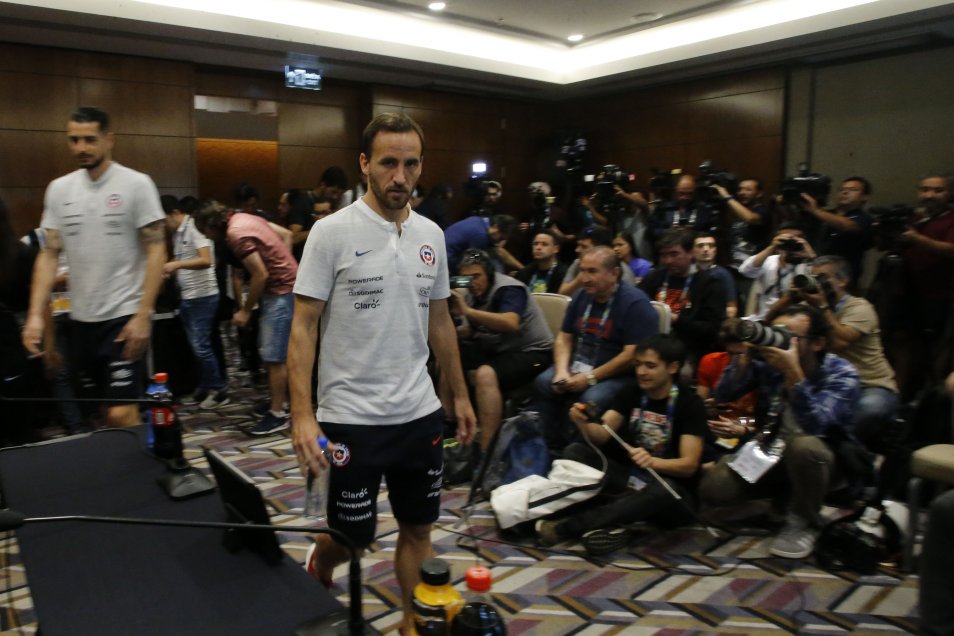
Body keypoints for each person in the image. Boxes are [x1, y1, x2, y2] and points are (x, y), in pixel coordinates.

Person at [287, 112, 476, 634]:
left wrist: (457, 395)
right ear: (365, 164)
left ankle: (415, 626)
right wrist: (302, 415)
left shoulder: (431, 235)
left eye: (411, 164)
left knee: (419, 530)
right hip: (350, 417)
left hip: (417, 414)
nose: (400, 176)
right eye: (389, 163)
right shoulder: (331, 233)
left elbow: (440, 320)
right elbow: (303, 327)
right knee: (352, 536)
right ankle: (319, 565)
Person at [22, 107, 167, 428]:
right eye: (74, 140)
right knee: (104, 411)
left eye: (89, 139)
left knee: (121, 412)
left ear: (109, 140)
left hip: (123, 319)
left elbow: (157, 248)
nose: (81, 148)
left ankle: (140, 476)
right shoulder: (59, 190)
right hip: (81, 322)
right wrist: (34, 314)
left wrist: (144, 313)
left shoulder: (136, 184)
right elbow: (49, 255)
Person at [698, 305, 861, 559]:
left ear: (817, 343)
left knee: (803, 447)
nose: (782, 340)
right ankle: (786, 494)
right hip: (770, 448)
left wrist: (792, 372)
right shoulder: (767, 363)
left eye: (791, 335)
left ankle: (803, 520)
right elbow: (724, 394)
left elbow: (816, 425)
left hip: (825, 459)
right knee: (715, 488)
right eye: (777, 332)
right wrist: (744, 358)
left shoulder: (842, 374)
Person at [535, 334, 706, 552]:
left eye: (651, 366)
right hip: (633, 479)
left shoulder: (690, 405)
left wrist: (653, 462)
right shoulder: (632, 392)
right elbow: (602, 435)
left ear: (672, 367)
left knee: (663, 489)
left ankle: (568, 528)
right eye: (638, 365)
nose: (642, 372)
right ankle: (623, 522)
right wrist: (583, 423)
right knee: (576, 452)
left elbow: (689, 465)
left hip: (674, 495)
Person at [766, 255, 900, 492]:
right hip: (826, 379)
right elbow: (766, 330)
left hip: (872, 383)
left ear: (842, 281)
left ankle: (849, 471)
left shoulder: (860, 307)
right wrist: (789, 299)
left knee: (858, 416)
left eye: (822, 278)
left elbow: (838, 343)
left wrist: (822, 306)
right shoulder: (806, 310)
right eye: (812, 277)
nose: (816, 284)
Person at [531, 246, 658, 450]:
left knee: (591, 399)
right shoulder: (582, 296)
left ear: (614, 274)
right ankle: (550, 448)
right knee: (544, 382)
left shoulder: (635, 303)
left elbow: (632, 355)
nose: (584, 278)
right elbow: (564, 337)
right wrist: (562, 370)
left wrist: (591, 378)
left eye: (592, 271)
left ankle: (578, 455)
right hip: (579, 365)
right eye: (582, 270)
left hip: (617, 374)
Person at [194, 200, 298, 435]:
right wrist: (285, 263)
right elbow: (286, 235)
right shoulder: (246, 217)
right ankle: (279, 403)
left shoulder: (235, 234)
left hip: (281, 293)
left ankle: (278, 415)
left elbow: (260, 274)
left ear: (212, 225)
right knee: (275, 353)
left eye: (205, 232)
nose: (207, 238)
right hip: (287, 288)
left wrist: (245, 310)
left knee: (274, 357)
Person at [444, 249, 553, 452]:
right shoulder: (470, 295)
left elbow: (510, 323)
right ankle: (450, 428)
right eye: (466, 279)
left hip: (534, 353)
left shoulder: (509, 289)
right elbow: (473, 329)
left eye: (477, 276)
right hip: (499, 349)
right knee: (448, 356)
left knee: (486, 374)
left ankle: (488, 452)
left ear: (490, 273)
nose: (472, 283)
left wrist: (467, 311)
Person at [161, 195, 228, 408]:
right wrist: (171, 267)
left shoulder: (195, 228)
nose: (163, 225)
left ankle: (219, 391)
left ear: (173, 213)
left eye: (164, 220)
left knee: (202, 347)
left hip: (203, 296)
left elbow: (206, 260)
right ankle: (204, 387)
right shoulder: (179, 233)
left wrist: (176, 265)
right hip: (189, 296)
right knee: (196, 348)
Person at [639, 229, 726, 364]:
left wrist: (677, 320)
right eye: (663, 255)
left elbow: (712, 329)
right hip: (652, 340)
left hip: (689, 346)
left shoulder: (709, 283)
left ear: (690, 253)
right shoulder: (655, 277)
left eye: (674, 254)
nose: (668, 261)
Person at [803, 177, 874, 288]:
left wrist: (816, 210)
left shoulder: (864, 218)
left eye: (853, 189)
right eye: (842, 189)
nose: (845, 192)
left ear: (864, 197)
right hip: (816, 271)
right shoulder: (825, 213)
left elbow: (848, 225)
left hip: (843, 278)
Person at [738, 223, 815, 318]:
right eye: (786, 240)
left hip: (797, 318)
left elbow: (820, 284)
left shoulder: (808, 264)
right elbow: (745, 271)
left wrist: (811, 257)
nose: (791, 243)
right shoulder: (768, 260)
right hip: (764, 317)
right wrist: (771, 247)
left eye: (796, 238)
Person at [559, 225, 635, 296]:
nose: (577, 250)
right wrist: (578, 281)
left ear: (600, 249)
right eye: (578, 245)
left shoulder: (623, 272)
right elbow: (562, 295)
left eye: (583, 246)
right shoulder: (578, 263)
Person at [713, 178, 772, 270]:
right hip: (736, 267)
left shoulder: (763, 211)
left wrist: (727, 197)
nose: (742, 192)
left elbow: (751, 218)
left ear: (759, 193)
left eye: (748, 190)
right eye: (740, 189)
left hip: (754, 269)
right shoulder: (738, 213)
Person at [443, 213, 517, 274]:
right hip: (449, 260)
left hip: (445, 248)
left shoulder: (479, 220)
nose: (500, 242)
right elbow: (473, 258)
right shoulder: (481, 236)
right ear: (495, 227)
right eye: (501, 238)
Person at [691, 231, 738, 318]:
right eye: (700, 246)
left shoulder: (724, 275)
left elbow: (731, 307)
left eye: (710, 245)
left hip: (715, 320)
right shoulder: (688, 272)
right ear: (692, 251)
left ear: (715, 250)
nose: (706, 249)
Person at [515, 229, 568, 294]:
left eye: (544, 244)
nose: (538, 247)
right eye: (535, 244)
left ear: (556, 249)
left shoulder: (563, 273)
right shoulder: (526, 271)